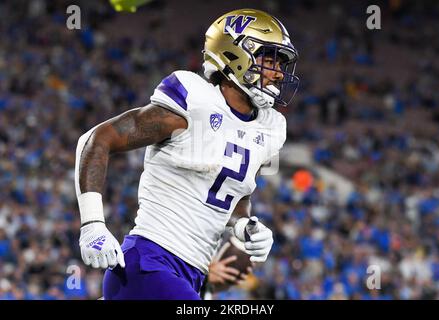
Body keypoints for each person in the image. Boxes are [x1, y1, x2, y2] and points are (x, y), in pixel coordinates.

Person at [74, 8, 300, 300]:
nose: (278, 73)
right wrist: (93, 224)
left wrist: (244, 224)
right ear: (235, 54)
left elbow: (237, 192)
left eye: (281, 64)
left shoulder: (271, 128)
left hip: (191, 275)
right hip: (148, 264)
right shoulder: (195, 101)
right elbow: (96, 139)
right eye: (269, 60)